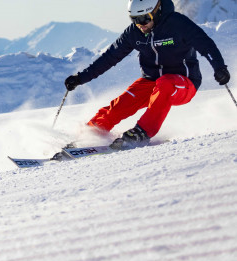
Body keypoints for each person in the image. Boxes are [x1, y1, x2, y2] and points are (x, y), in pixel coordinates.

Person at [64, 0, 230, 150]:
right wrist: (81, 78)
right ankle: (90, 135)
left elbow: (205, 44)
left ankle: (142, 132)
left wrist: (219, 68)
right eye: (134, 19)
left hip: (184, 84)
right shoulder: (134, 32)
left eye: (144, 18)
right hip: (151, 82)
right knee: (120, 104)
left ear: (156, 11)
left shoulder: (178, 24)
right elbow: (109, 57)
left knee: (166, 83)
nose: (140, 24)